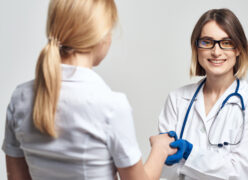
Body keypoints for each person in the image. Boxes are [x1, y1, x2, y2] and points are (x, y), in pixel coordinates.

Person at [2, 0, 176, 180]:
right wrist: (160, 149)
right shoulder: (111, 106)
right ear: (101, 37)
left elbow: (16, 177)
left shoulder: (20, 97)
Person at [158, 8, 248, 180]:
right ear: (196, 48)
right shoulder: (177, 100)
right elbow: (164, 168)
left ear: (238, 49)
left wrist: (189, 155)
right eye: (207, 42)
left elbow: (240, 173)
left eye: (226, 42)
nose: (216, 52)